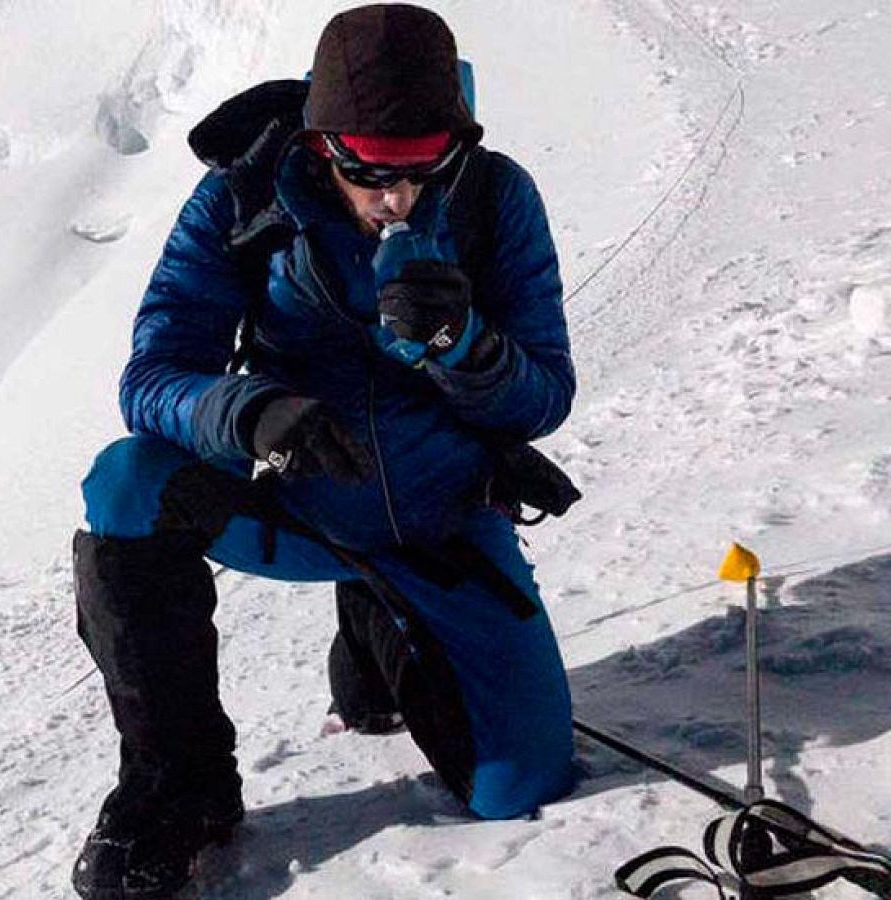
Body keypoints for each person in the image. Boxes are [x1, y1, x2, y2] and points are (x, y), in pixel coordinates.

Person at [70, 5, 579, 898]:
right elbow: (152, 376)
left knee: (517, 788)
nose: (396, 200)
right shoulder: (242, 199)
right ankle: (179, 783)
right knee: (126, 484)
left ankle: (382, 626)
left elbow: (543, 396)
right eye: (370, 173)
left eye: (424, 172)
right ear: (320, 144)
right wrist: (251, 412)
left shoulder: (498, 199)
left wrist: (461, 344)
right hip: (290, 502)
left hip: (436, 519)